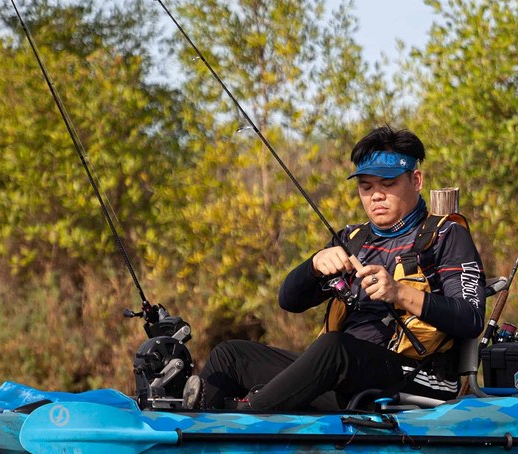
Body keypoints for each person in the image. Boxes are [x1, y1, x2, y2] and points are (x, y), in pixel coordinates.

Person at [184, 125, 486, 412]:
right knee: (230, 355)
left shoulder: (447, 236)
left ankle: (247, 412)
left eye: (388, 184)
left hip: (414, 377)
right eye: (366, 187)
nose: (375, 196)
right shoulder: (352, 240)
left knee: (334, 348)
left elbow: (471, 318)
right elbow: (289, 301)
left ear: (416, 180)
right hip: (341, 377)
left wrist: (399, 293)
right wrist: (313, 267)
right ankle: (200, 425)